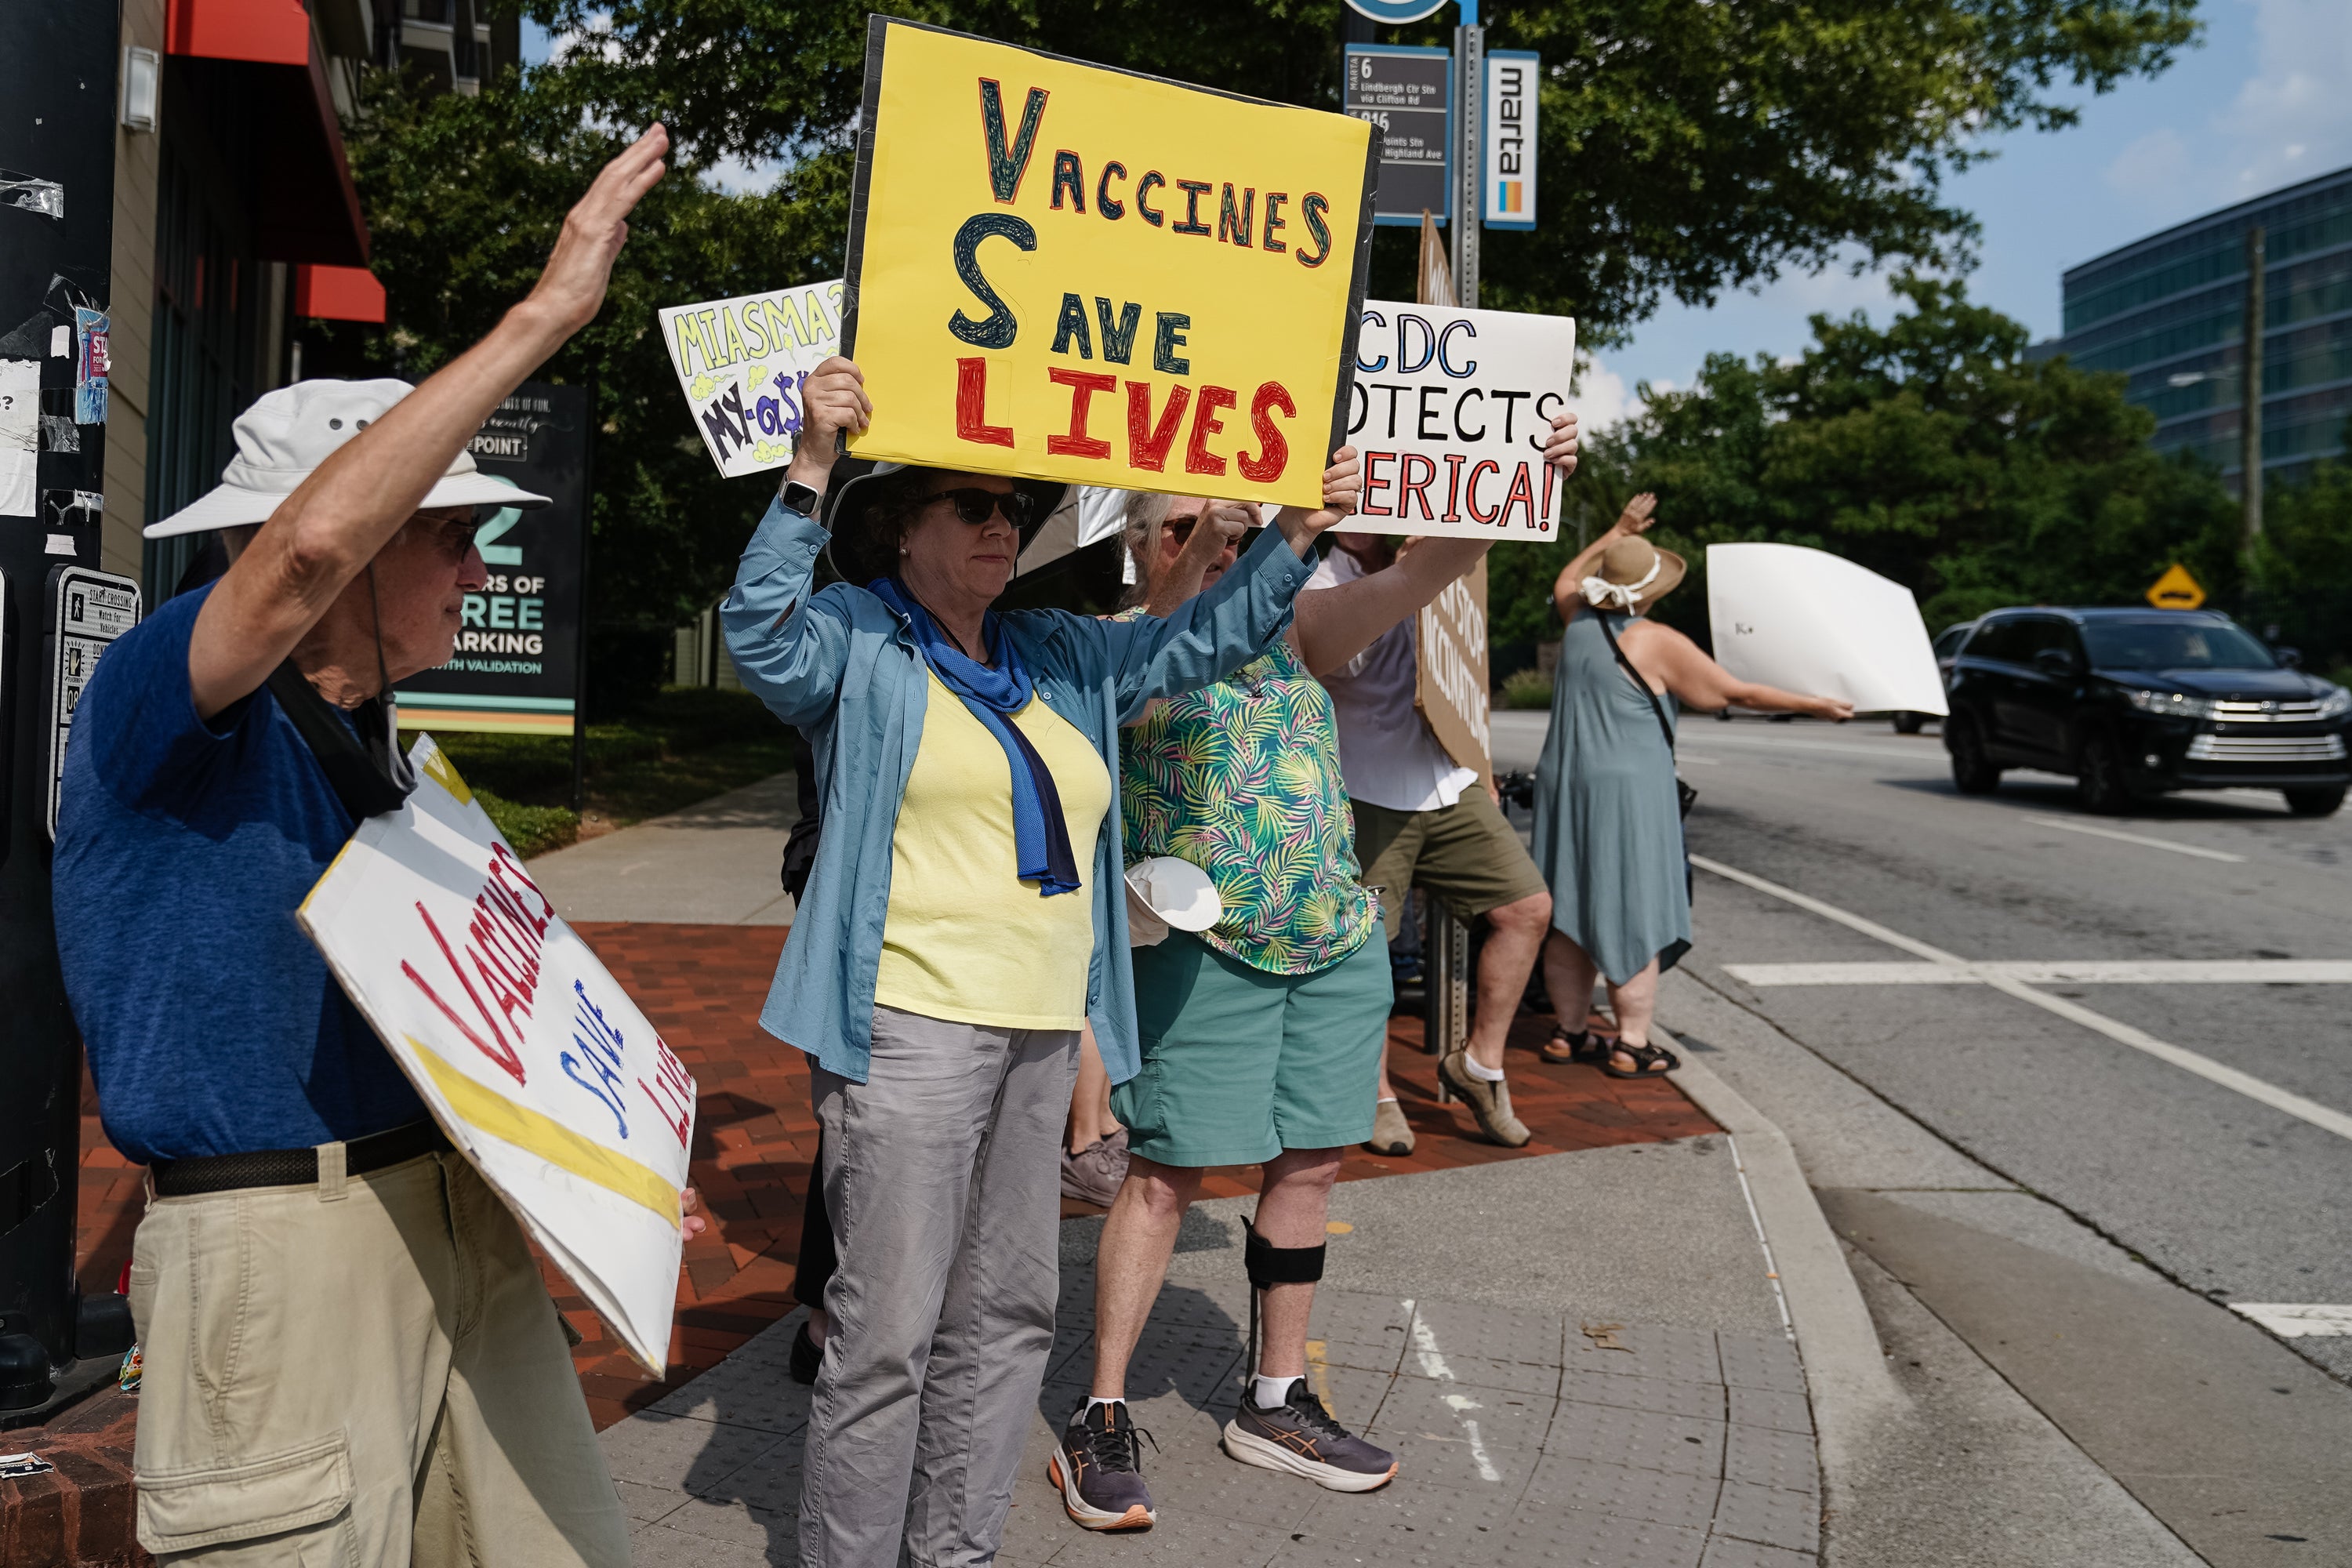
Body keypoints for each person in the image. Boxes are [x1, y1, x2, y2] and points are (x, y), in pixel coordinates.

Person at [53, 130, 699, 1566]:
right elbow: (292, 561)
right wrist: (542, 316)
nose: (483, 569)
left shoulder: (377, 747)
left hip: (446, 1217)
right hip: (287, 1247)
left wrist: (619, 1167)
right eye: (453, 533)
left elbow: (500, 1020)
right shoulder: (171, 692)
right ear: (357, 545)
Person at [720, 357, 1359, 1568]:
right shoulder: (858, 638)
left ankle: (955, 1552)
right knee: (887, 1332)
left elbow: (1203, 641)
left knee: (1010, 1317)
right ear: (903, 528)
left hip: (1035, 1032)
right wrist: (810, 468)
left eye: (1013, 508)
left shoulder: (1056, 648)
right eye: (971, 504)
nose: (1000, 524)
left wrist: (1297, 531)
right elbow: (758, 631)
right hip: (907, 1025)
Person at [1052, 409, 1578, 1534]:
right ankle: (1101, 1411)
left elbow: (1430, 565)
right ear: (1139, 540)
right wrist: (1212, 548)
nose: (1213, 547)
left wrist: (1513, 479)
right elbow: (1168, 643)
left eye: (1225, 533)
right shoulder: (1111, 648)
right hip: (1202, 949)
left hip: (1332, 940)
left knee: (1310, 1166)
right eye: (1183, 528)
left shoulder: (1296, 627)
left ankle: (1275, 1399)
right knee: (1165, 1174)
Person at [1534, 495, 1853, 1077]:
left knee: (1571, 907)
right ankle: (1632, 1043)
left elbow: (1567, 576)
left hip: (1566, 782)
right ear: (1651, 592)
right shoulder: (1655, 640)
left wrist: (1617, 531)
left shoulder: (1576, 620)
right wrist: (1816, 705)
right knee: (1636, 909)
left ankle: (1568, 1032)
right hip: (1629, 793)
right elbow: (1731, 693)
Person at [1312, 529, 1558, 1152]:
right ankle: (1374, 1091)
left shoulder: (1435, 547)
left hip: (1447, 775)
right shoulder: (1316, 573)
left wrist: (1479, 757)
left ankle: (1480, 1066)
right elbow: (1340, 659)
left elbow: (1465, 668)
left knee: (1526, 909)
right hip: (1363, 781)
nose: (1367, 505)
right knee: (1366, 951)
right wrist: (1407, 579)